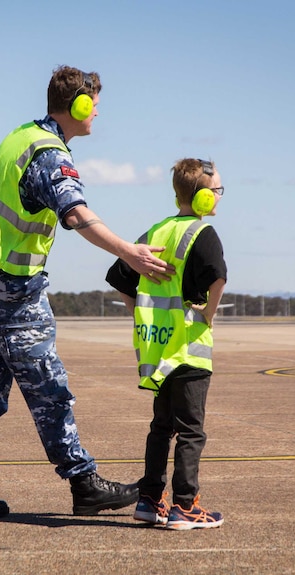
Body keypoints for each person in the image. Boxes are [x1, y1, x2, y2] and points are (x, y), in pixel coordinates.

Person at [0, 65, 175, 519]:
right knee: (50, 390)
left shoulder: (21, 136)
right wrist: (129, 253)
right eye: (95, 105)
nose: (98, 114)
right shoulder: (49, 155)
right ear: (78, 105)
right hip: (13, 291)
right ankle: (84, 483)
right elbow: (77, 214)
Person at [106, 157, 227, 529]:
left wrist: (140, 313)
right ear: (203, 198)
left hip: (158, 350)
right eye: (218, 191)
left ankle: (149, 500)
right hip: (189, 350)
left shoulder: (155, 232)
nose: (220, 197)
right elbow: (218, 279)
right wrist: (207, 314)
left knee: (161, 427)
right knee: (191, 430)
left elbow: (120, 278)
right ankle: (185, 506)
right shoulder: (202, 233)